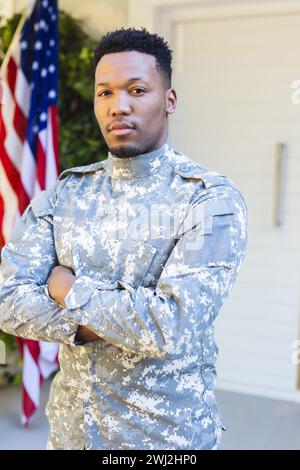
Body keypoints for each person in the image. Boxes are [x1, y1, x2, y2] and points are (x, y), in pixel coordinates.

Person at [0, 27, 248, 450]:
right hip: (71, 436)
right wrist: (95, 325)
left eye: (137, 90)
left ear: (169, 101)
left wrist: (68, 289)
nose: (119, 106)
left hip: (163, 441)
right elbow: (7, 300)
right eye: (105, 93)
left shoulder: (208, 201)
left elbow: (170, 325)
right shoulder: (65, 194)